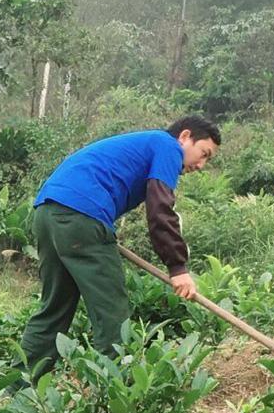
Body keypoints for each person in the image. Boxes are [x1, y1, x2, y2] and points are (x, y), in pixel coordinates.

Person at [19, 115, 221, 376]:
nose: (202, 165)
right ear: (184, 137)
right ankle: (118, 394)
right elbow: (160, 209)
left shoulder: (144, 144)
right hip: (82, 215)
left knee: (54, 309)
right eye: (203, 153)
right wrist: (178, 268)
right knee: (112, 314)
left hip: (47, 213)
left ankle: (18, 391)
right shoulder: (167, 145)